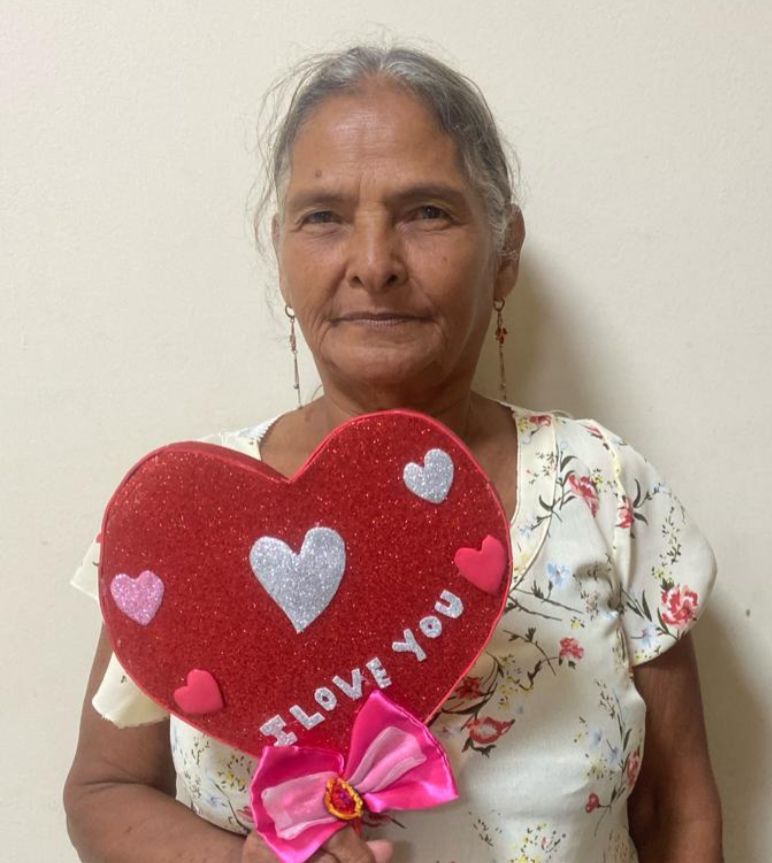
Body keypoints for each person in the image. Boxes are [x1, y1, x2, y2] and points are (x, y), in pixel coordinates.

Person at [64, 43, 722, 863]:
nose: (374, 265)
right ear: (280, 251)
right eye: (324, 216)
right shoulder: (180, 516)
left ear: (505, 250)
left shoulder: (606, 488)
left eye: (427, 212)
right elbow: (104, 788)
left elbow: (675, 809)